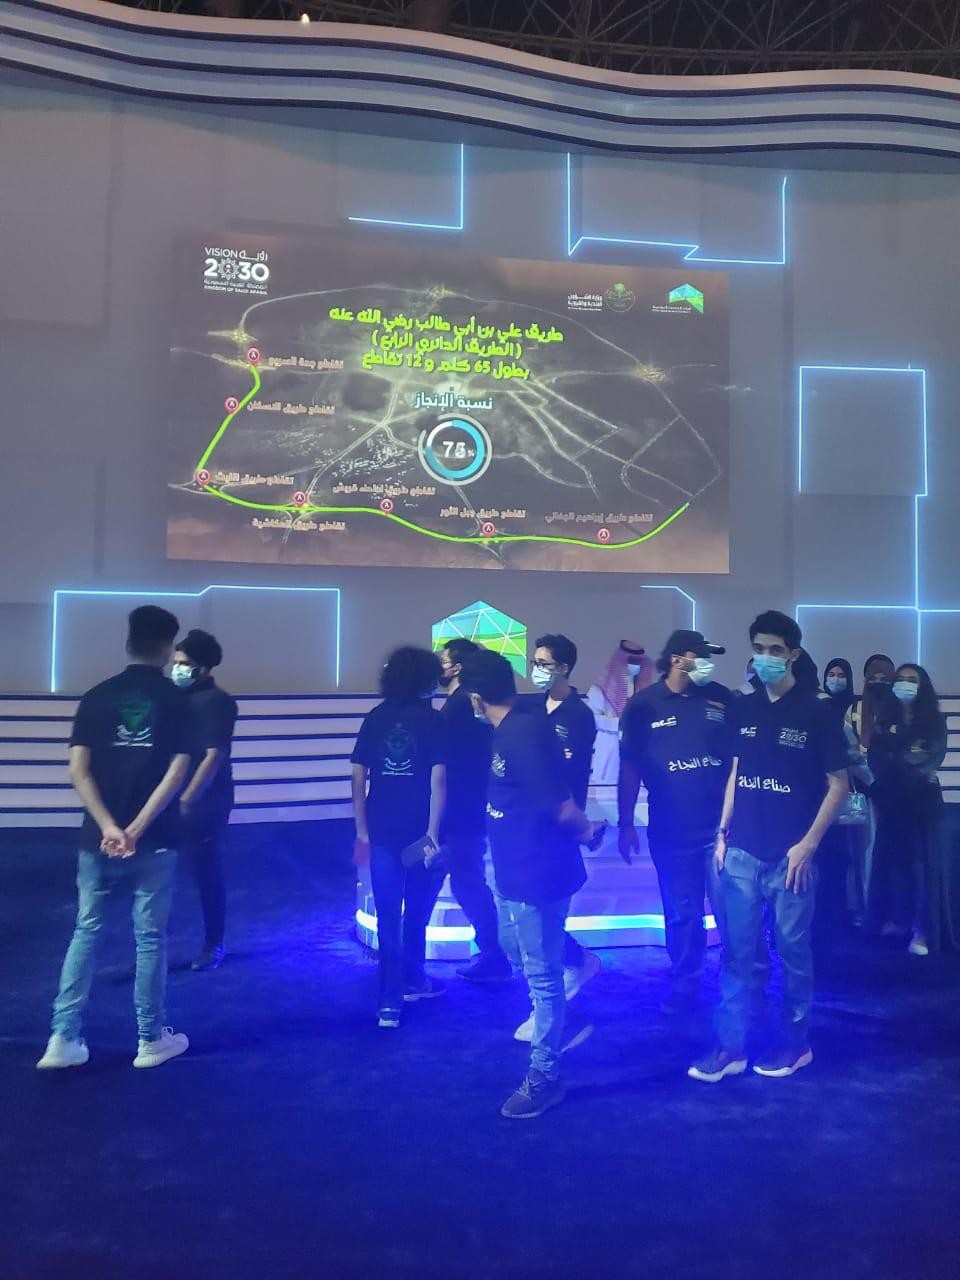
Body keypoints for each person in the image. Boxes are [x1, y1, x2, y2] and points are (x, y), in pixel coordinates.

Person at [688, 610, 848, 1083]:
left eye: (776, 650)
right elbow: (736, 772)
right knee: (737, 954)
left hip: (791, 858)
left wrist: (808, 845)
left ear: (793, 654)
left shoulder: (817, 712)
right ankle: (731, 1048)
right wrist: (722, 831)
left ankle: (796, 1045)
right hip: (741, 852)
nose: (766, 658)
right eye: (759, 649)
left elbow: (839, 785)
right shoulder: (744, 707)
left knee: (793, 955)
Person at [37, 606, 193, 1071]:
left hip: (97, 840)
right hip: (156, 838)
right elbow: (176, 774)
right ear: (168, 648)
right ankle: (150, 1039)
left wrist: (108, 826)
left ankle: (62, 1038)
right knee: (150, 938)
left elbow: (78, 770)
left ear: (128, 643)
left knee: (86, 931)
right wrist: (136, 829)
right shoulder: (175, 701)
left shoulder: (97, 696)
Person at [460, 649, 604, 1119]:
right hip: (511, 869)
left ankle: (545, 1076)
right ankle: (565, 1009)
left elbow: (560, 805)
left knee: (542, 977)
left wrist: (587, 832)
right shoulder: (512, 728)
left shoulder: (521, 733)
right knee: (514, 948)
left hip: (537, 873)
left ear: (476, 698)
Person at [618, 629, 730, 1013]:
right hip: (671, 830)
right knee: (682, 913)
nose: (708, 664)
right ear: (678, 659)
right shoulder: (644, 705)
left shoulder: (722, 699)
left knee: (732, 912)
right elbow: (629, 767)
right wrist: (626, 823)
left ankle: (739, 986)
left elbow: (739, 760)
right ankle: (686, 984)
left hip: (721, 830)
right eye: (702, 656)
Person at [351, 646, 447, 1028]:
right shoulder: (434, 721)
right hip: (419, 831)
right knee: (417, 913)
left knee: (387, 917)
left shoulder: (376, 717)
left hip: (382, 829)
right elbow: (439, 780)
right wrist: (433, 834)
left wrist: (361, 830)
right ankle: (414, 978)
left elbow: (358, 776)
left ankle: (389, 1003)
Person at [512, 635, 602, 1041]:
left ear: (564, 667)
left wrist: (573, 820)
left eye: (544, 663)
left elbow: (570, 772)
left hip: (560, 820)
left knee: (545, 914)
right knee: (523, 920)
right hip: (526, 822)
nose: (537, 669)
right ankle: (571, 966)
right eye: (534, 662)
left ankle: (558, 999)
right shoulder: (528, 707)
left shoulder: (579, 715)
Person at [437, 637, 512, 983]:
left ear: (457, 666)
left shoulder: (459, 706)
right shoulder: (464, 704)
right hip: (469, 806)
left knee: (467, 881)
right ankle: (493, 953)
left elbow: (450, 762)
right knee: (467, 880)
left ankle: (494, 955)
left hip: (461, 808)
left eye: (443, 659)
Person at [868, 663, 947, 956]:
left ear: (922, 685)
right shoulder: (884, 717)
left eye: (912, 679)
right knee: (890, 864)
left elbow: (930, 758)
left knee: (920, 866)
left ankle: (921, 930)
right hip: (891, 802)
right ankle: (895, 920)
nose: (905, 683)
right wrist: (899, 761)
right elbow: (876, 757)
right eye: (900, 679)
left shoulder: (934, 721)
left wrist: (899, 762)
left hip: (921, 803)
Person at [171, 629, 238, 972]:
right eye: (176, 662)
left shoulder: (218, 702)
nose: (177, 669)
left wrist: (186, 800)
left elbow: (214, 756)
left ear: (204, 667)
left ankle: (214, 943)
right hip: (169, 798)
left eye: (185, 663)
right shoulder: (173, 698)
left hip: (207, 802)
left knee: (206, 872)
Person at [584, 640, 653, 784]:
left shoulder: (646, 692)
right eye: (631, 661)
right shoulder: (599, 690)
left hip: (637, 748)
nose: (635, 665)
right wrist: (620, 723)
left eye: (638, 661)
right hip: (609, 746)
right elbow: (591, 719)